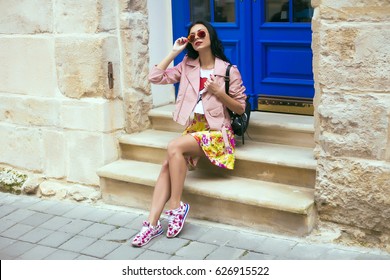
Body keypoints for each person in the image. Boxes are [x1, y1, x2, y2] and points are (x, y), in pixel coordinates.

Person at [131, 20, 247, 247]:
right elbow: (155, 78)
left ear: (210, 37)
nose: (197, 37)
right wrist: (174, 52)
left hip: (217, 133)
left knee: (174, 147)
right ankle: (151, 224)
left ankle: (176, 206)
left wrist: (218, 92)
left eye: (201, 33)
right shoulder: (187, 65)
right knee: (167, 163)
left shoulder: (227, 70)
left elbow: (240, 108)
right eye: (192, 36)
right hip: (194, 129)